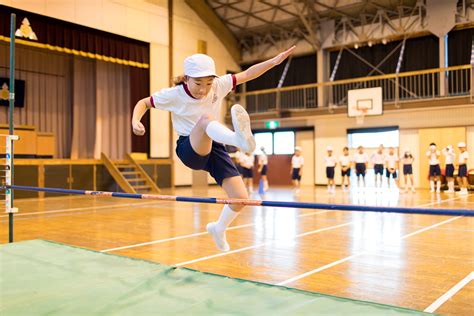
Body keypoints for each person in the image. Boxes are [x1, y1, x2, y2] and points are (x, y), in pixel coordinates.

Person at [131, 46, 295, 252]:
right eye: (198, 83)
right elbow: (143, 103)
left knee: (241, 198)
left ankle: (218, 228)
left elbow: (248, 74)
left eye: (208, 83)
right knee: (206, 119)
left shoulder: (219, 85)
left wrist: (273, 62)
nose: (203, 89)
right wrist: (136, 120)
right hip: (188, 147)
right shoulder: (173, 95)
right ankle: (237, 140)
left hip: (215, 145)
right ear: (186, 79)